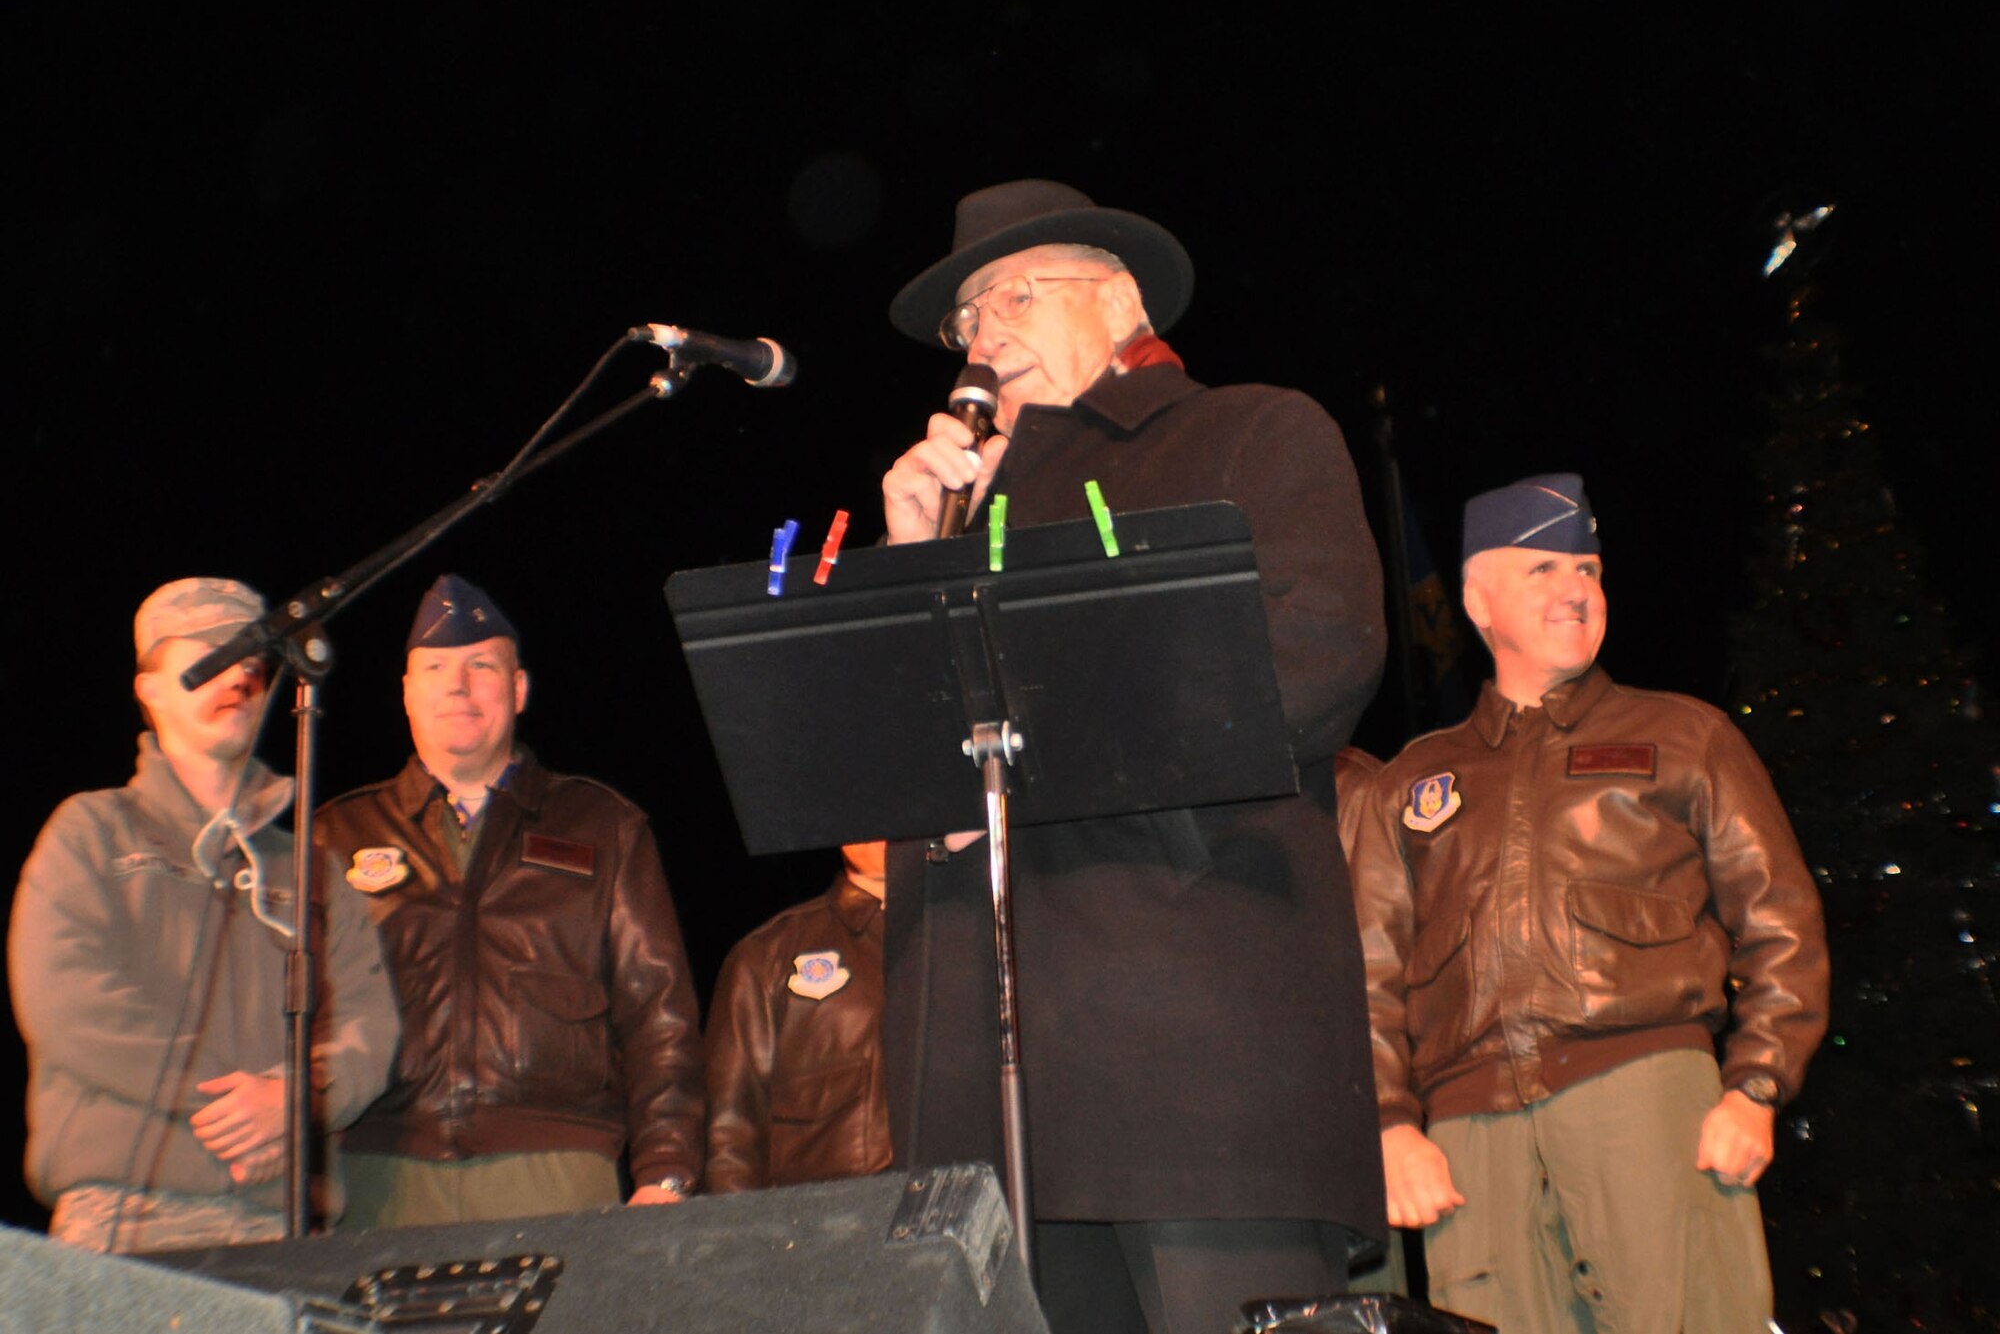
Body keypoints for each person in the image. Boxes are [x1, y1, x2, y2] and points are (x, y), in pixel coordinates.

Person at [878, 178, 1388, 1334]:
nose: (983, 335)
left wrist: (1037, 748)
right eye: (966, 319)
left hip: (1196, 1069)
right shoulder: (957, 516)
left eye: (1015, 294)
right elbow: (884, 770)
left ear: (1119, 302)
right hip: (988, 1097)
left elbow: (1314, 653)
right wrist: (914, 568)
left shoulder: (1247, 431)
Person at [1349, 474, 1830, 1332]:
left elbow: (1781, 921)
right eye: (1543, 568)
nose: (1576, 587)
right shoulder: (1412, 780)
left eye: (1589, 569)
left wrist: (1755, 1085)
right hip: (1471, 1141)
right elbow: (1369, 973)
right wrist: (1391, 1126)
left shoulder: (1684, 735)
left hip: (1646, 1100)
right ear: (1477, 602)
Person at [9, 577, 397, 1253]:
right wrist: (231, 1104)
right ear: (150, 688)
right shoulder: (93, 831)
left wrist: (292, 1097)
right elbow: (67, 1001)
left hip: (284, 1224)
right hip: (128, 1215)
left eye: (253, 660)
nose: (239, 675)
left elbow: (368, 1024)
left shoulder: (310, 866)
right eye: (211, 655)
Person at [315, 573, 704, 1226]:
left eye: (481, 666)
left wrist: (667, 1171)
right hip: (375, 1173)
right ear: (406, 692)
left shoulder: (601, 825)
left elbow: (659, 1016)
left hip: (558, 1168)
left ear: (518, 689)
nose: (458, 685)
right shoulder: (335, 834)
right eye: (435, 668)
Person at [703, 840, 891, 1194]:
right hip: (829, 1216)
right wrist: (740, 1226)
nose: (878, 828)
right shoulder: (767, 955)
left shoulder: (976, 936)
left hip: (959, 1200)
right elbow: (730, 1134)